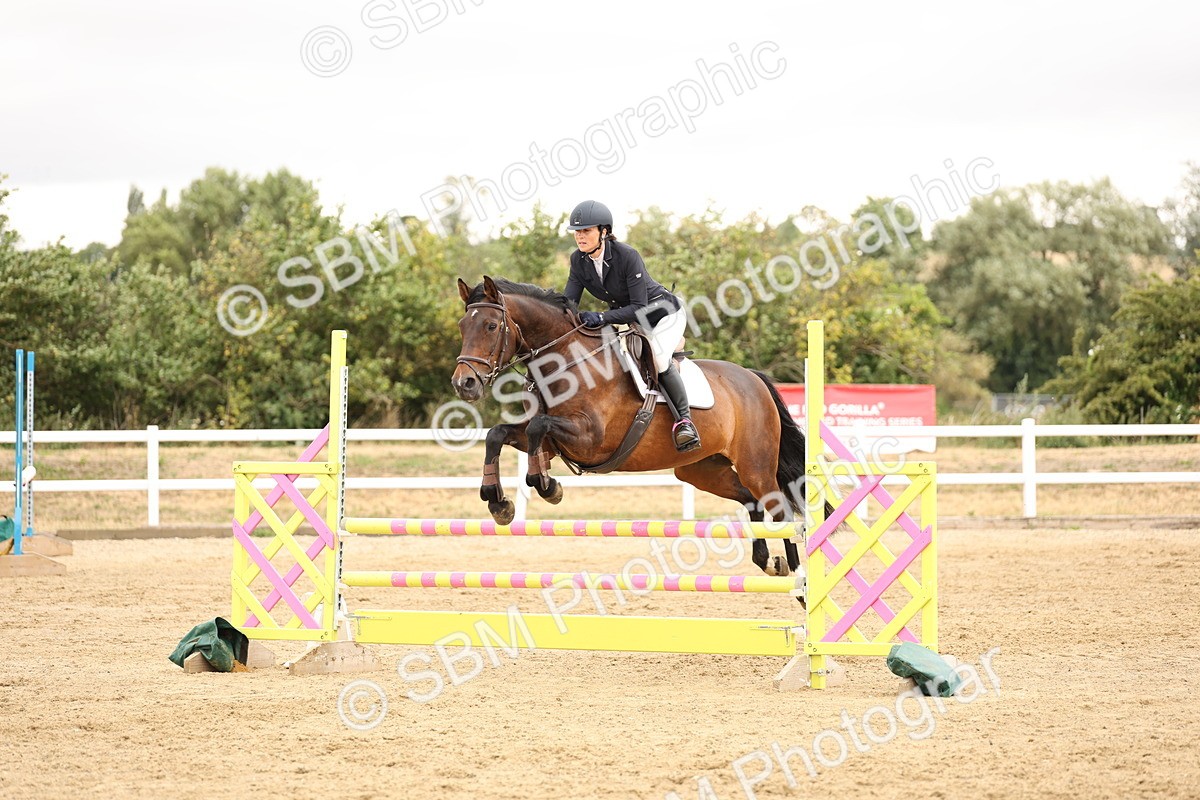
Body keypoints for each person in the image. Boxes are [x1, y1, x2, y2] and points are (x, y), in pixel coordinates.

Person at [562, 199, 700, 452]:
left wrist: (602, 318)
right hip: (630, 318)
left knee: (658, 359)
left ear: (603, 232)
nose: (580, 237)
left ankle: (685, 422)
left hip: (663, 313)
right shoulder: (578, 260)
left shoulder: (627, 256)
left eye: (586, 231)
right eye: (577, 232)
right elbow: (568, 303)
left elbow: (638, 306)